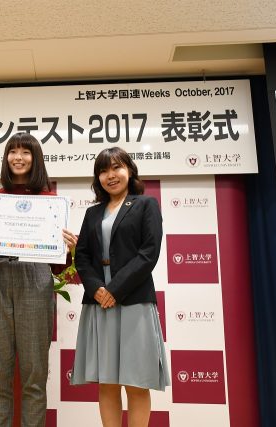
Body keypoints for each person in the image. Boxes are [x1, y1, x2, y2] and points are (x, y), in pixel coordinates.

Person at [0, 132, 77, 427]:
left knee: (34, 378)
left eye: (25, 152)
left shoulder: (50, 203)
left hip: (35, 280)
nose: (18, 157)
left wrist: (68, 247)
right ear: (5, 159)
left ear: (35, 159)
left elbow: (57, 268)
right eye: (12, 151)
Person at [70, 147, 169, 427]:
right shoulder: (92, 213)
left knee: (136, 383)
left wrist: (114, 289)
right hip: (98, 303)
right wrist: (97, 289)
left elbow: (148, 253)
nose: (110, 175)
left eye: (116, 168)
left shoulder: (145, 205)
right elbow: (83, 256)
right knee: (107, 383)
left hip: (133, 302)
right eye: (103, 170)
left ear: (130, 170)